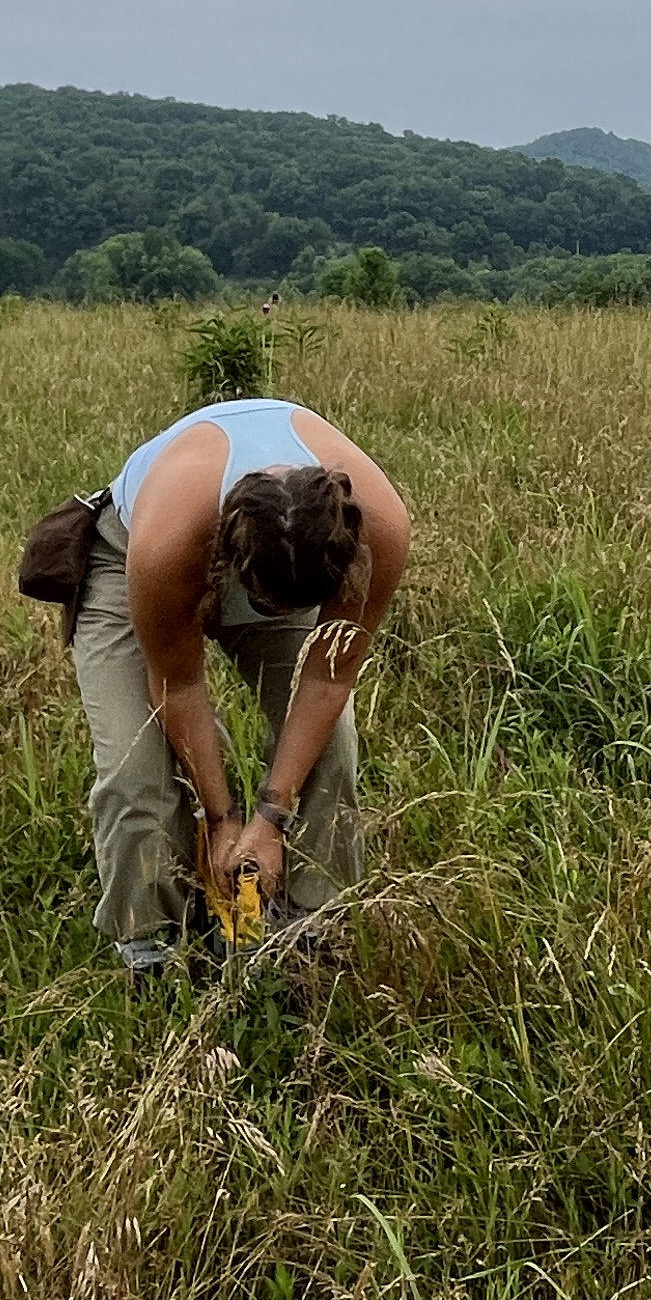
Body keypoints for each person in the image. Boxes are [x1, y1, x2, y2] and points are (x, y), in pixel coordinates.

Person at [71, 396, 411, 978]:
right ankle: (152, 947)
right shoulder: (169, 540)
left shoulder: (376, 529)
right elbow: (178, 686)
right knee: (136, 770)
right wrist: (225, 818)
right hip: (130, 557)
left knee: (333, 748)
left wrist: (271, 819)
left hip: (283, 559)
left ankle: (308, 927)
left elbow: (329, 677)